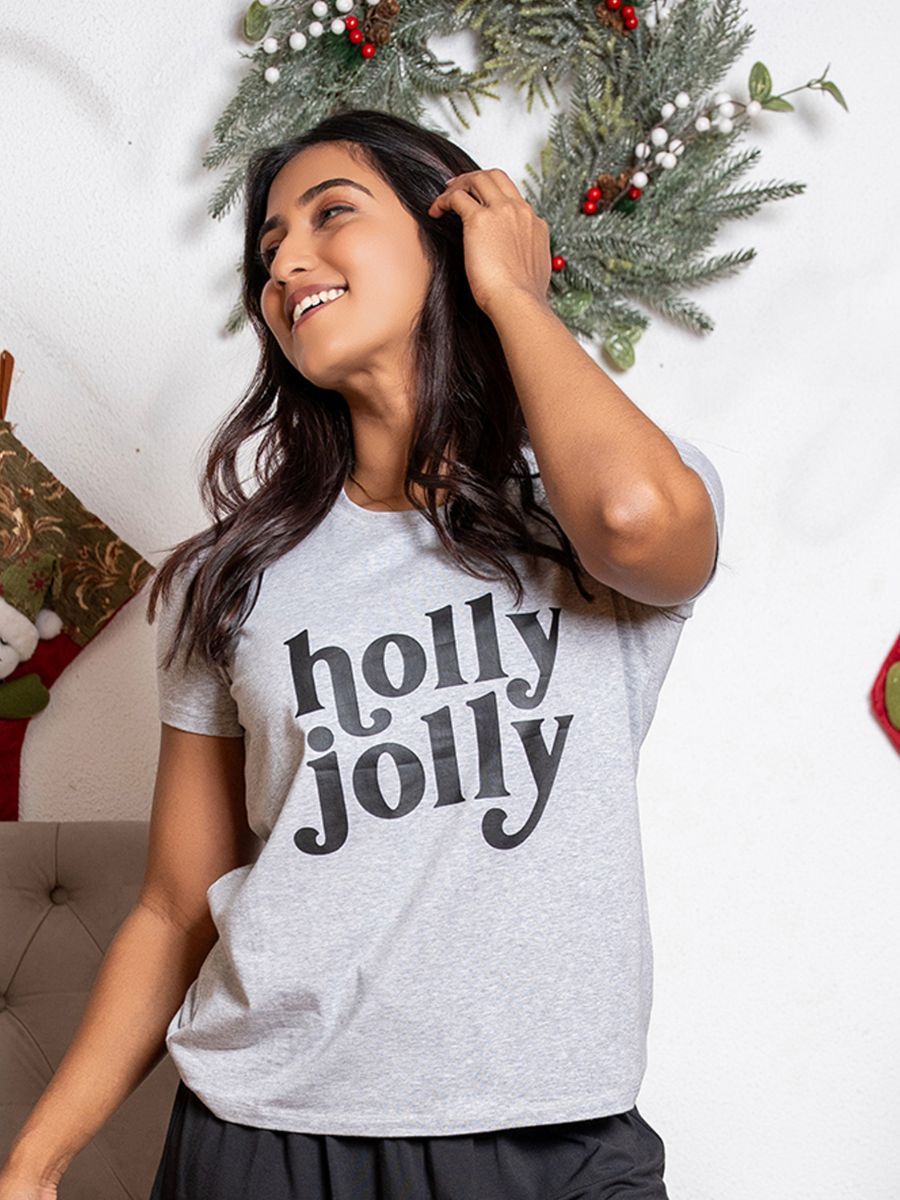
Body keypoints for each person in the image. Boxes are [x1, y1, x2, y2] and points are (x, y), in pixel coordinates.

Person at [0, 106, 724, 1200]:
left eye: (331, 214)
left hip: (548, 1134)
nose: (288, 262)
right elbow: (175, 906)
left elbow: (635, 519)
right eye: (269, 249)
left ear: (450, 236)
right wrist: (35, 1162)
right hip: (265, 1136)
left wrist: (514, 299)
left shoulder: (590, 503)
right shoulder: (229, 577)